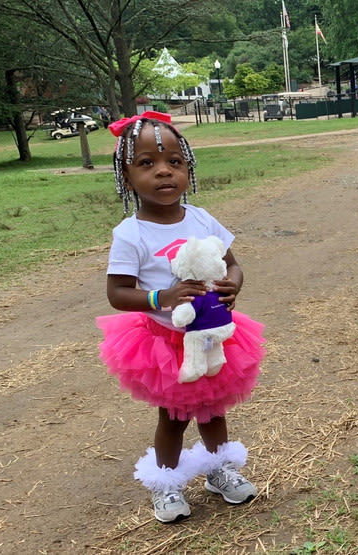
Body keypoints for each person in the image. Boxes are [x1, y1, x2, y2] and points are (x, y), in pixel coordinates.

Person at [95, 112, 266, 523]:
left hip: (213, 334)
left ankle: (218, 469)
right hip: (162, 342)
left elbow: (233, 264)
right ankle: (167, 483)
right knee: (173, 416)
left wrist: (232, 285)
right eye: (146, 164)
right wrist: (162, 296)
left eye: (175, 162)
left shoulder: (202, 218)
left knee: (214, 408)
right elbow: (117, 293)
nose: (163, 172)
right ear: (126, 175)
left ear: (188, 168)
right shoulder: (131, 234)